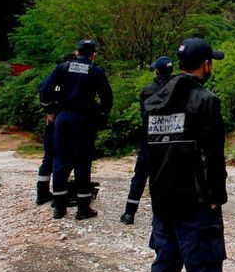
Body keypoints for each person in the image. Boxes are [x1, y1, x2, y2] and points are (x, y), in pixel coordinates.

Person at [143, 38, 235, 272]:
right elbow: (213, 156)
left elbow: (150, 153)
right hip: (196, 202)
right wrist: (217, 195)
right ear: (206, 64)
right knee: (204, 268)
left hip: (163, 201)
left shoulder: (152, 100)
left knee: (165, 264)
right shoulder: (206, 100)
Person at [40, 39, 113, 220]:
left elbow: (45, 88)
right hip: (83, 119)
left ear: (77, 51)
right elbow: (107, 96)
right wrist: (102, 114)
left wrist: (49, 108)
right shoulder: (95, 70)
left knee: (60, 160)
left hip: (63, 118)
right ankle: (82, 208)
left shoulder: (63, 68)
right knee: (82, 162)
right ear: (93, 54)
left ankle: (59, 207)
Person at [121, 55, 174, 225]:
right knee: (166, 178)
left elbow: (144, 115)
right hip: (172, 139)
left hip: (150, 138)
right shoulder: (178, 89)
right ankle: (160, 216)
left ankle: (129, 213)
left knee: (140, 176)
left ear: (157, 71)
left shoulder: (147, 90)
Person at [35, 52, 77, 205]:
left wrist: (49, 111)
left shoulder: (53, 77)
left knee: (49, 158)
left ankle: (42, 193)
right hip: (67, 123)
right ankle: (61, 195)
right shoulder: (73, 80)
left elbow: (43, 92)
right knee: (66, 159)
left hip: (52, 122)